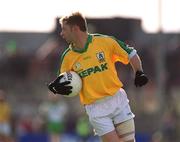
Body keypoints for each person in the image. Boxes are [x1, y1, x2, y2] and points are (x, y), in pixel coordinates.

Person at [48, 12, 148, 142]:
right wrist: (56, 88)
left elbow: (131, 54)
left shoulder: (105, 42)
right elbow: (62, 81)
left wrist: (139, 72)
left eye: (64, 29)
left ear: (75, 29)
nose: (61, 33)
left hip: (118, 100)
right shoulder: (67, 57)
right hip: (96, 109)